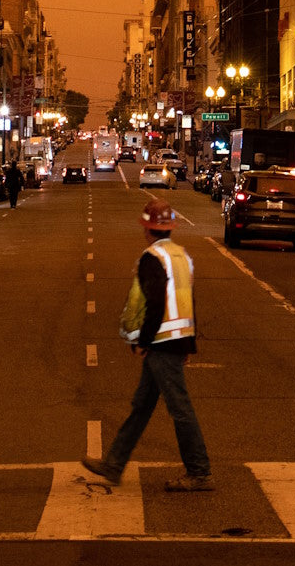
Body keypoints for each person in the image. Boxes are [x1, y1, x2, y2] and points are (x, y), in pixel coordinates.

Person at [82, 198, 213, 492]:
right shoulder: (181, 256)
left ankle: (200, 471)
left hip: (161, 343)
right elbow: (189, 301)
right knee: (141, 406)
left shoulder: (151, 258)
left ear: (147, 229)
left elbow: (155, 304)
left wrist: (143, 341)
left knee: (180, 409)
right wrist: (189, 344)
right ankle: (114, 465)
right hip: (174, 340)